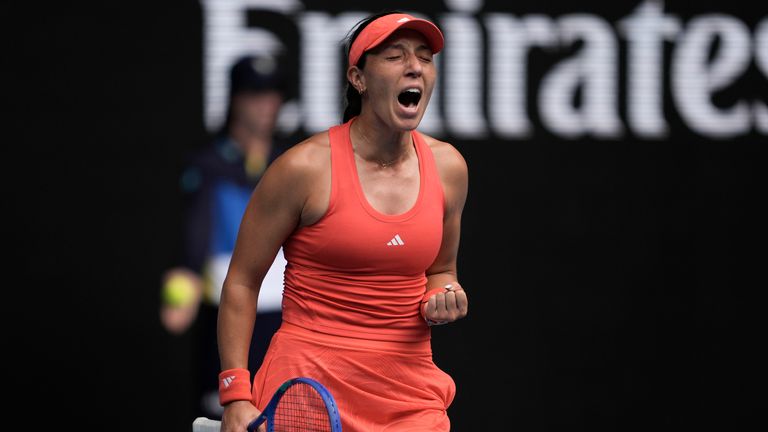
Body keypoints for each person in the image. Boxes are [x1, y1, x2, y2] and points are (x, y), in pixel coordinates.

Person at [217, 11, 469, 432]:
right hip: (306, 387)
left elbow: (441, 270)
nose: (415, 67)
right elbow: (242, 281)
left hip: (410, 396)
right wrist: (236, 395)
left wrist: (443, 294)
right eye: (395, 56)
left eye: (425, 58)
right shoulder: (302, 168)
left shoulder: (449, 169)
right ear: (359, 79)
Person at [159, 52, 296, 419]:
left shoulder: (291, 164)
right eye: (256, 95)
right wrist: (186, 273)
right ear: (236, 100)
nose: (267, 105)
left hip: (285, 325)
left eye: (273, 95)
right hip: (226, 319)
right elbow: (195, 233)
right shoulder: (207, 167)